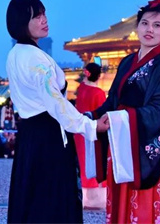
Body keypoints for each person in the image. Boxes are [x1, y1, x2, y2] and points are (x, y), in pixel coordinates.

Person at [5, 0, 109, 223]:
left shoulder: (15, 54)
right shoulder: (36, 59)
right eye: (36, 16)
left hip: (29, 134)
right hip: (48, 135)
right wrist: (91, 127)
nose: (44, 20)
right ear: (22, 22)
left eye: (44, 14)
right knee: (52, 199)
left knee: (32, 198)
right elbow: (56, 103)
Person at [92, 0, 160, 223]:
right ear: (137, 27)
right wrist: (91, 118)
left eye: (157, 25)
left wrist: (122, 118)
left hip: (144, 145)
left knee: (143, 205)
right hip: (120, 138)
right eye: (145, 23)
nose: (149, 30)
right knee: (121, 199)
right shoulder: (126, 62)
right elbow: (113, 100)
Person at [73, 62, 107, 209]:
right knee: (96, 161)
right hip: (94, 131)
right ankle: (97, 199)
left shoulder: (81, 89)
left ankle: (84, 197)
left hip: (80, 131)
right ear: (98, 76)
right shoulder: (99, 93)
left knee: (83, 162)